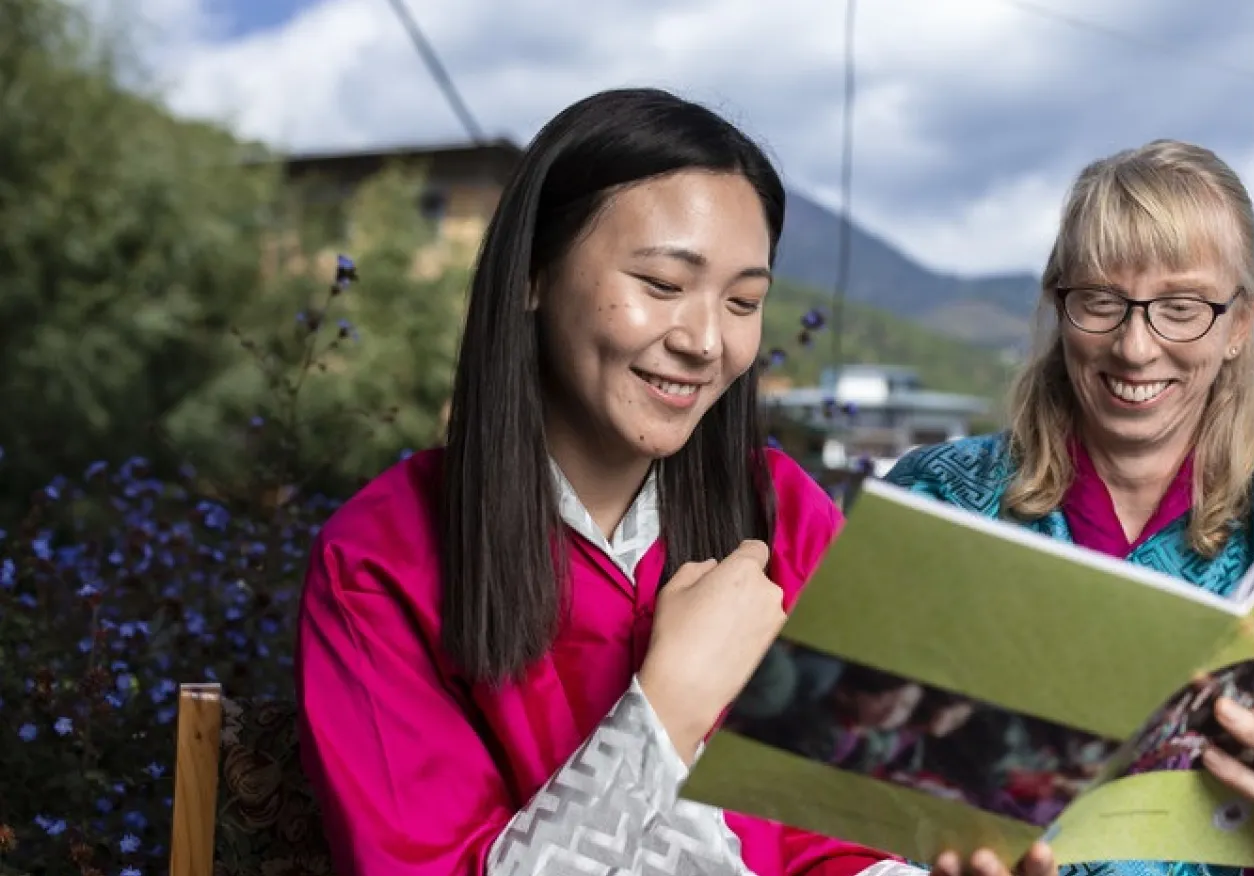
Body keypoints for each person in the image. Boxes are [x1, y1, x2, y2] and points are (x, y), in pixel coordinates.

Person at [294, 87, 1052, 876]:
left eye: (743, 301)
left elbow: (835, 841)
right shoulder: (379, 562)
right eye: (662, 285)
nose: (705, 341)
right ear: (534, 275)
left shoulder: (785, 514)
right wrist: (668, 704)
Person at [885, 140, 1254, 876]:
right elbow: (820, 792)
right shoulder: (942, 498)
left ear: (1242, 323)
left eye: (1182, 307)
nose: (1136, 346)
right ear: (1059, 304)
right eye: (1100, 301)